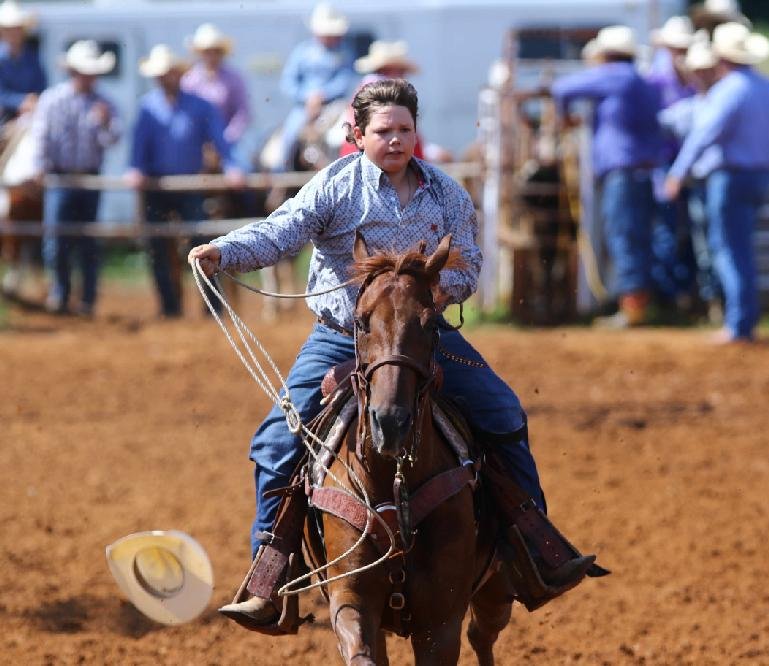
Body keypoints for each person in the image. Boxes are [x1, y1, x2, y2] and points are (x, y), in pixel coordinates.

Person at [189, 79, 597, 630]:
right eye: (384, 131)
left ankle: (534, 547)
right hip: (342, 337)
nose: (397, 140)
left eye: (405, 129)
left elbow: (470, 263)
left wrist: (426, 303)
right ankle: (271, 573)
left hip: (426, 338)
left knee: (502, 412)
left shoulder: (446, 192)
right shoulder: (334, 187)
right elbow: (279, 233)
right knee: (275, 440)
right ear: (356, 134)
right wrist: (223, 251)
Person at [664, 23, 769, 343]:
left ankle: (739, 323)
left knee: (729, 250)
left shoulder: (729, 89)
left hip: (731, 177)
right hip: (759, 175)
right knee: (740, 248)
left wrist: (678, 172)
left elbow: (704, 133)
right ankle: (744, 318)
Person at [552, 25, 666, 327]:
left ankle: (632, 309)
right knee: (636, 236)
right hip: (643, 170)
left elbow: (561, 89)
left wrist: (564, 118)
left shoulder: (615, 75)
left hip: (622, 171)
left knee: (622, 235)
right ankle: (639, 303)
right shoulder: (641, 81)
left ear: (606, 55)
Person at [126, 44, 244, 318]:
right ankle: (169, 306)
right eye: (160, 74)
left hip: (191, 185)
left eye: (168, 73)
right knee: (156, 247)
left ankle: (211, 306)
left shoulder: (200, 105)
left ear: (178, 74)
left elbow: (220, 140)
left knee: (201, 245)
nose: (164, 78)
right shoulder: (147, 108)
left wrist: (232, 165)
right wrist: (136, 168)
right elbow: (139, 146)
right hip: (156, 186)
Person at [32, 40, 121, 316]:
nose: (89, 76)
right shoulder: (52, 100)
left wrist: (105, 123)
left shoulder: (105, 104)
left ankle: (87, 300)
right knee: (56, 240)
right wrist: (39, 166)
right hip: (60, 178)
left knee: (88, 242)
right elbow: (41, 136)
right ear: (74, 71)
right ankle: (61, 292)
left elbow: (113, 138)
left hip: (90, 179)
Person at [658, 37, 723, 321]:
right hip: (700, 185)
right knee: (703, 244)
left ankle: (718, 302)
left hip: (713, 182)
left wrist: (677, 174)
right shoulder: (691, 106)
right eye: (697, 70)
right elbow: (663, 122)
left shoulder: (715, 102)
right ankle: (711, 302)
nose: (700, 75)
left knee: (716, 244)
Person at [646, 17, 697, 309]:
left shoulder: (688, 80)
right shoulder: (657, 80)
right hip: (666, 162)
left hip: (682, 161)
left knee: (683, 228)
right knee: (667, 226)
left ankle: (680, 291)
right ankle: (669, 295)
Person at [277, 2, 355, 171]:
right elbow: (288, 81)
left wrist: (322, 95)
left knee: (344, 133)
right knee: (290, 135)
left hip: (334, 105)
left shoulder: (344, 53)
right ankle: (283, 173)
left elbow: (345, 80)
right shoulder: (302, 52)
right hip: (304, 107)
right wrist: (307, 97)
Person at [338, 40, 427, 160]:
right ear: (388, 69)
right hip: (371, 154)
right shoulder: (378, 91)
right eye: (401, 71)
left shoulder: (367, 87)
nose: (403, 76)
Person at [181, 23, 252, 163]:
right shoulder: (189, 80)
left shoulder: (234, 78)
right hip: (196, 142)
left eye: (215, 51)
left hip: (229, 141)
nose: (212, 55)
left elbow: (242, 113)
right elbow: (184, 115)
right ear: (200, 52)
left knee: (243, 167)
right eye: (207, 51)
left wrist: (225, 139)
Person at [0, 0, 45, 121]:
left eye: (17, 28)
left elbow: (42, 84)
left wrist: (34, 99)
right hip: (5, 116)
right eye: (9, 29)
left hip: (31, 113)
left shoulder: (32, 57)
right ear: (2, 31)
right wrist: (21, 101)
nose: (14, 33)